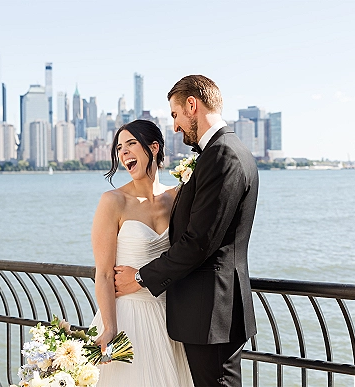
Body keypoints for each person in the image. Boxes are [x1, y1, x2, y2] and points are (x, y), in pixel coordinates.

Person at [115, 75, 259, 387]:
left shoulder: (223, 155)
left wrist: (139, 277)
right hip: (208, 310)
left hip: (212, 311)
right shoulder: (220, 152)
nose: (176, 126)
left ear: (192, 105)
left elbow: (200, 242)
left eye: (176, 115)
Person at [90, 119, 194, 386]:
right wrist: (110, 327)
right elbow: (102, 274)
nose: (123, 152)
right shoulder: (113, 201)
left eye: (131, 144)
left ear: (154, 147)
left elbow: (189, 252)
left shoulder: (178, 197)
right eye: (119, 148)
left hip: (170, 316)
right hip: (128, 317)